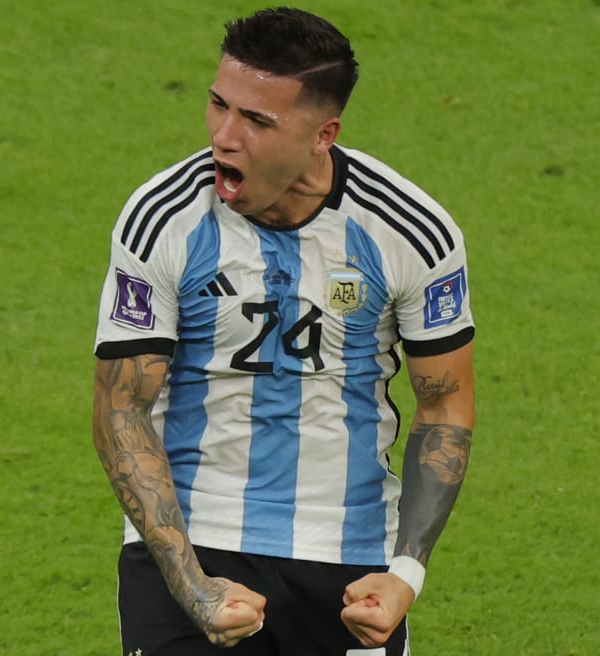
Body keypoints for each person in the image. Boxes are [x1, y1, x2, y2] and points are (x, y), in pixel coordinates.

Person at [91, 7, 475, 655]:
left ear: (323, 134)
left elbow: (445, 405)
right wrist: (190, 583)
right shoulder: (164, 219)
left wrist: (405, 571)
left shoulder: (408, 231)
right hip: (193, 537)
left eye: (257, 121)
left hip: (350, 560)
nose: (224, 135)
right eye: (219, 105)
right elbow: (120, 406)